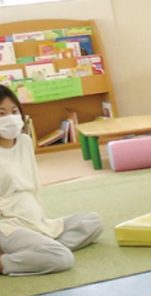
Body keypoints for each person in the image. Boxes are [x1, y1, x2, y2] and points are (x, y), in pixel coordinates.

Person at [0, 86, 102, 277]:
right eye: (1, 113)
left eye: (14, 111)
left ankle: (39, 251)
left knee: (92, 221)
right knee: (62, 258)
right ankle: (6, 262)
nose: (10, 118)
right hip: (8, 226)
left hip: (36, 221)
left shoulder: (24, 142)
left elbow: (33, 187)